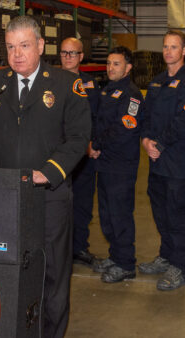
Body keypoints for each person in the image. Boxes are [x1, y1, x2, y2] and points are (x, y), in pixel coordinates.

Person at [0, 15, 90, 338]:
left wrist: (47, 173)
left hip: (49, 196)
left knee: (52, 273)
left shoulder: (65, 84)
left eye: (24, 46)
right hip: (6, 196)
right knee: (8, 269)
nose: (17, 54)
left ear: (40, 45)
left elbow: (78, 138)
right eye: (10, 47)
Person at [139, 30, 185, 291]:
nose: (168, 51)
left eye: (174, 47)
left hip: (177, 161)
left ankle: (179, 266)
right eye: (165, 46)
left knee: (177, 213)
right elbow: (145, 116)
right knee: (160, 210)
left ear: (184, 51)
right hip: (156, 161)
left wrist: (159, 144)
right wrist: (145, 140)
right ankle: (165, 256)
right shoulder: (157, 82)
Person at [88, 46, 142, 283]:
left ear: (128, 67)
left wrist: (97, 144)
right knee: (107, 214)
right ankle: (115, 255)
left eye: (116, 64)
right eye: (109, 63)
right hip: (105, 163)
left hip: (121, 165)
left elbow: (123, 129)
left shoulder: (132, 95)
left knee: (120, 215)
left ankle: (126, 263)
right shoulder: (107, 90)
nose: (111, 68)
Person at [59, 37, 100, 266]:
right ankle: (60, 249)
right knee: (58, 204)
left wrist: (91, 143)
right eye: (64, 52)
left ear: (81, 56)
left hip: (84, 155)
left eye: (72, 53)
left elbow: (97, 117)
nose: (68, 57)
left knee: (83, 203)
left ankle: (79, 247)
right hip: (58, 155)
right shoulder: (50, 81)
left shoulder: (90, 84)